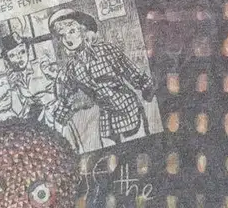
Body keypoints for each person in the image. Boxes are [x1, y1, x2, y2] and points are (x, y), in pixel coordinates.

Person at [48, 8, 155, 148]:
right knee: (110, 153)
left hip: (128, 110)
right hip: (107, 119)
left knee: (140, 148)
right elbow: (67, 98)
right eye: (62, 36)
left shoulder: (105, 50)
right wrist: (55, 121)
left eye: (72, 31)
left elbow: (130, 70)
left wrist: (147, 87)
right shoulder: (71, 69)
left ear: (83, 30)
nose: (68, 39)